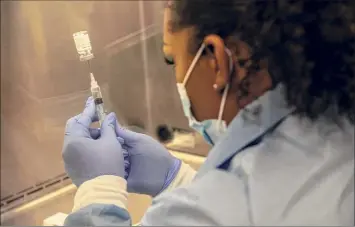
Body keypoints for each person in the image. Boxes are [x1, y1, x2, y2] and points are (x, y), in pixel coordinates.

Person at [62, 0, 354, 225]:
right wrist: (177, 181)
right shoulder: (337, 124)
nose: (177, 76)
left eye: (171, 59)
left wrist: (97, 191)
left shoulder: (221, 209)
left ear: (216, 59)